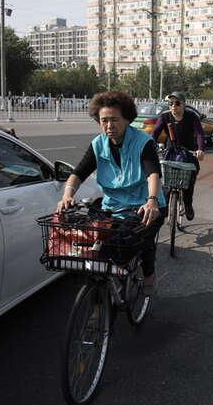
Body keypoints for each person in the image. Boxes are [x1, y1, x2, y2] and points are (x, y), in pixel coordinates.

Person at [57, 91, 167, 290]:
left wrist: (152, 200)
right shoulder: (98, 144)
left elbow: (153, 174)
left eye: (114, 119)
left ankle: (148, 275)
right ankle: (100, 305)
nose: (109, 126)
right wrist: (67, 195)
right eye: (104, 120)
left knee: (134, 243)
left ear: (126, 119)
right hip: (114, 206)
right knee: (93, 241)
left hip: (146, 206)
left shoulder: (143, 142)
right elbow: (78, 173)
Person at [151, 91, 205, 221]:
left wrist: (200, 149)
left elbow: (199, 134)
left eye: (177, 103)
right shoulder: (165, 117)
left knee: (189, 181)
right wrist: (149, 145)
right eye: (171, 103)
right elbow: (154, 133)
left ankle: (187, 205)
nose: (173, 106)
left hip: (188, 152)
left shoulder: (192, 117)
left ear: (183, 105)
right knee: (166, 183)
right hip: (171, 151)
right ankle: (164, 208)